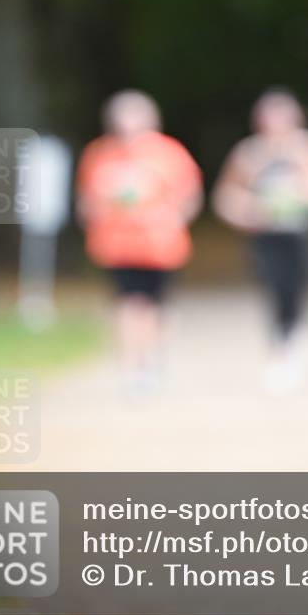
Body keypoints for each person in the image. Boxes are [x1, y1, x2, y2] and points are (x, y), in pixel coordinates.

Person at [76, 90, 203, 396]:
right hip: (118, 246)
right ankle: (132, 367)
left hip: (161, 247)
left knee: (159, 307)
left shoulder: (170, 153)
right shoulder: (99, 154)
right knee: (129, 305)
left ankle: (156, 357)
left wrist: (169, 218)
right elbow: (85, 201)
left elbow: (189, 197)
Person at [211, 87, 308, 393]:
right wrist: (248, 211)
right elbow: (225, 196)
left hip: (301, 234)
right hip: (265, 235)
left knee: (298, 288)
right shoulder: (249, 153)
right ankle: (281, 351)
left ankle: (298, 335)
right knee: (274, 290)